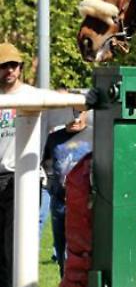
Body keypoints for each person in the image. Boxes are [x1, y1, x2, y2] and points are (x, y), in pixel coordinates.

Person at [41, 106, 92, 276]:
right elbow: (44, 162)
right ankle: (66, 283)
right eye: (71, 113)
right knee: (61, 246)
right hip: (60, 203)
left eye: (80, 113)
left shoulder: (96, 136)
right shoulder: (53, 138)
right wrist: (50, 184)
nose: (75, 119)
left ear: (86, 113)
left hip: (87, 204)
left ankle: (85, 286)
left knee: (86, 246)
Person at [0, 43, 33, 287]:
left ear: (20, 68)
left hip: (19, 179)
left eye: (13, 65)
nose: (9, 70)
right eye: (3, 66)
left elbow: (74, 115)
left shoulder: (33, 96)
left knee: (14, 243)